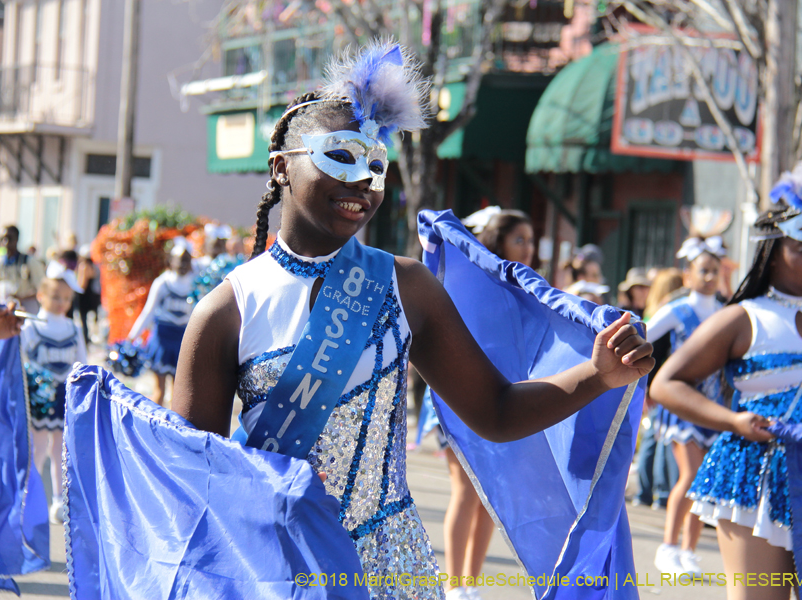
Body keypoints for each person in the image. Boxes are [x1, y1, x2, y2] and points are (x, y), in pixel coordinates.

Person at [171, 41, 653, 598]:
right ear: (281, 167)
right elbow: (194, 482)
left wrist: (598, 376)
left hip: (389, 566)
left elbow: (496, 411)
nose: (362, 183)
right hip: (275, 565)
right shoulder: (225, 310)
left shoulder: (407, 286)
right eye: (341, 157)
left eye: (376, 165)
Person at [651, 158, 802, 600]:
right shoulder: (741, 319)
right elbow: (666, 384)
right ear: (771, 256)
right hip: (755, 475)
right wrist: (732, 422)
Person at [437, 209, 533, 600]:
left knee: (490, 493)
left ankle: (470, 587)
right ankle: (454, 582)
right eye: (518, 240)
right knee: (465, 489)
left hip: (504, 399)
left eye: (531, 240)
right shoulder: (471, 279)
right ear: (497, 241)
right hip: (459, 394)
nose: (528, 248)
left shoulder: (529, 286)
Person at [647, 236, 726, 576]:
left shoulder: (726, 313)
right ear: (689, 274)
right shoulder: (677, 310)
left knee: (705, 481)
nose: (709, 277)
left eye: (714, 270)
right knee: (691, 474)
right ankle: (667, 546)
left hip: (714, 408)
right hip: (681, 405)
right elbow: (643, 335)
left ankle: (689, 551)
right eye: (703, 270)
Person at [22, 276, 87, 524]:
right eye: (56, 297)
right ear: (41, 296)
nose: (62, 303)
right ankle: (31, 497)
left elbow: (82, 361)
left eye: (67, 298)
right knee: (37, 448)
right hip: (40, 399)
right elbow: (23, 362)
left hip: (64, 397)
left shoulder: (74, 328)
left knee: (61, 450)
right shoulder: (30, 327)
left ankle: (59, 500)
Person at [633, 268, 684, 510]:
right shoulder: (673, 312)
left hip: (653, 383)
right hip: (664, 385)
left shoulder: (656, 311)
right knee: (663, 439)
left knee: (655, 437)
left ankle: (646, 493)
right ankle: (660, 493)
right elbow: (659, 351)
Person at [128, 239, 194, 406]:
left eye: (186, 259)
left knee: (179, 393)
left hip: (182, 341)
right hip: (162, 340)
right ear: (171, 261)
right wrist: (132, 337)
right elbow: (148, 312)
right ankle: (155, 426)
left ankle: (173, 428)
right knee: (159, 391)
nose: (182, 264)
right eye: (179, 259)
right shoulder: (162, 283)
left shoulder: (195, 284)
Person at [0, 225, 45, 313]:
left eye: (9, 239)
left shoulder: (29, 262)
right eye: (3, 239)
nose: (5, 242)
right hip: (4, 306)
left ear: (16, 240)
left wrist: (21, 297)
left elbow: (42, 289)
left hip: (26, 307)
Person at [76, 245, 101, 345]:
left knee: (83, 319)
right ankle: (87, 338)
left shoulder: (84, 266)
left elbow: (82, 284)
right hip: (91, 295)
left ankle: (84, 339)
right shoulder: (94, 266)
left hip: (83, 295)